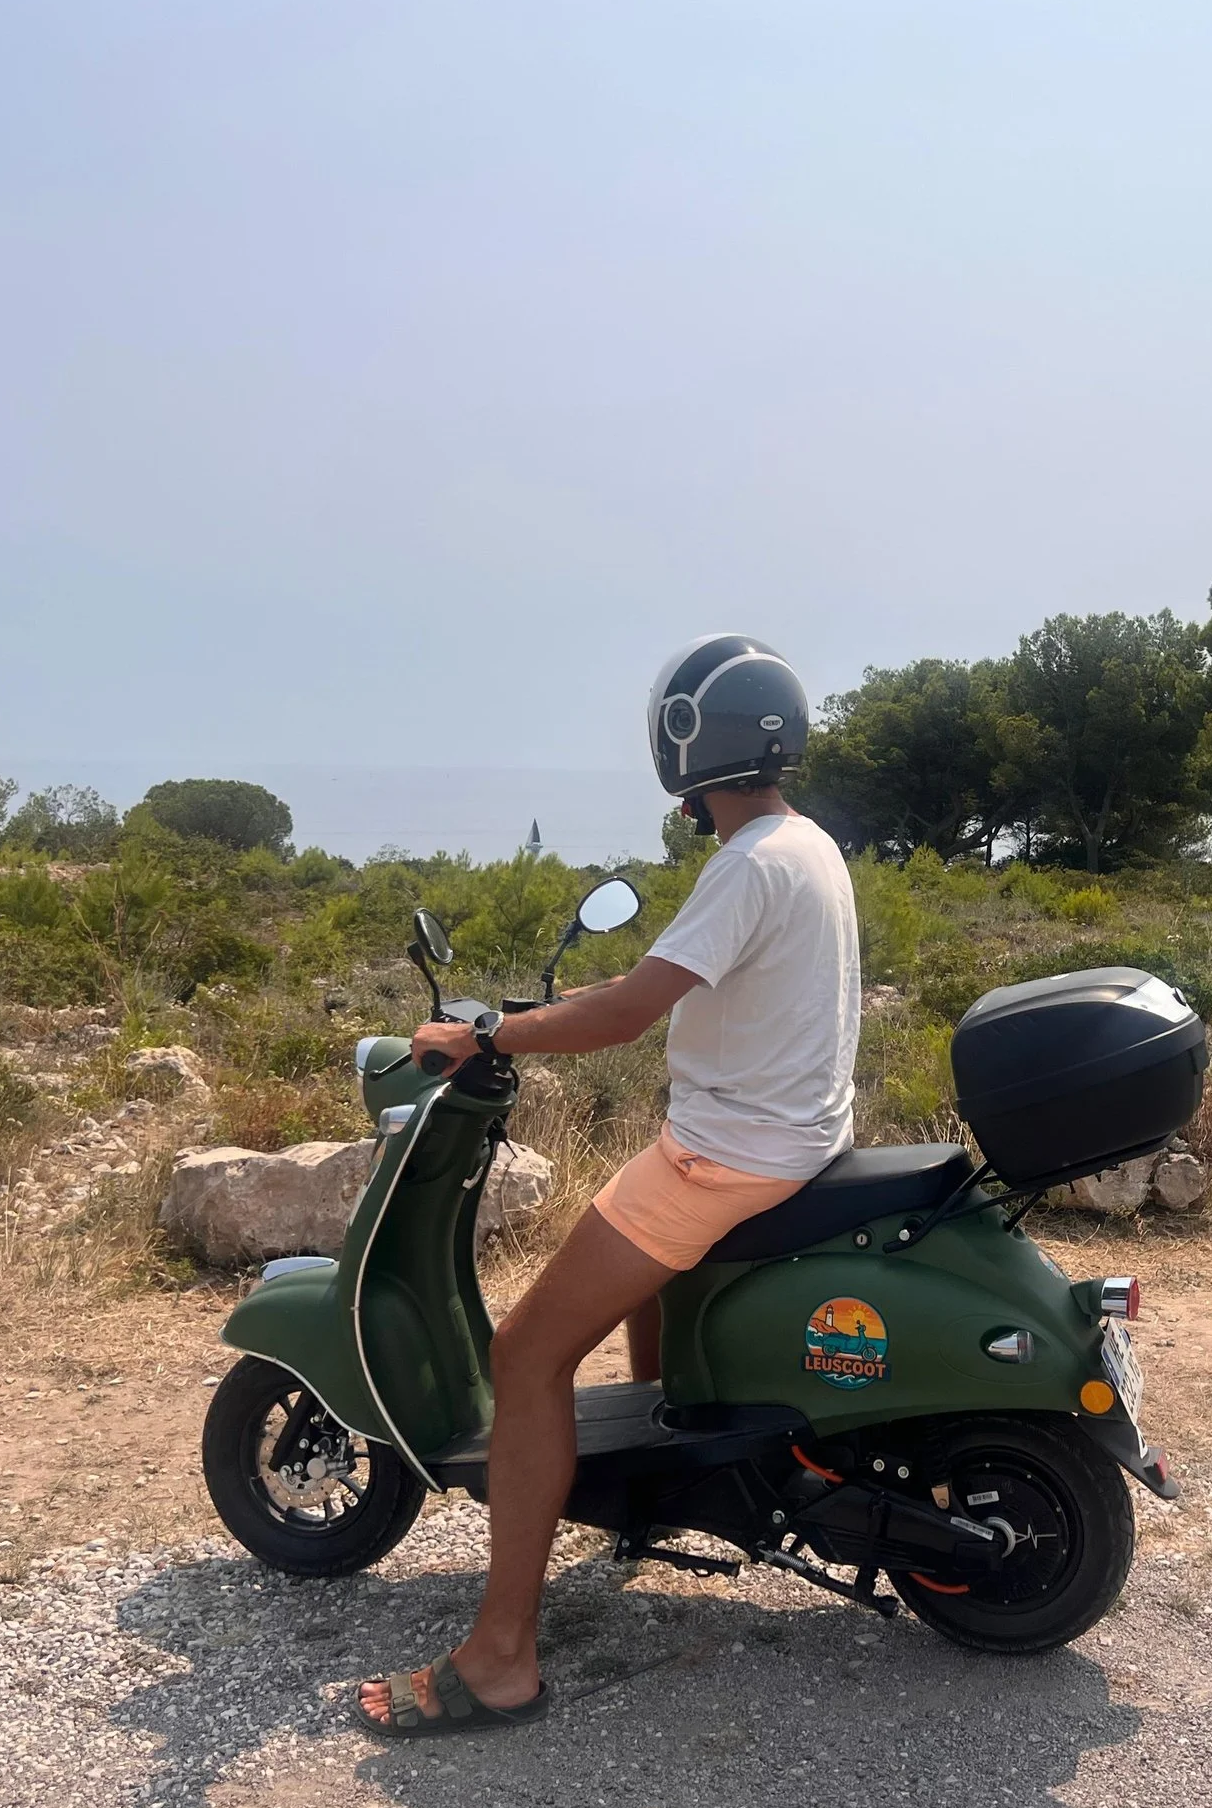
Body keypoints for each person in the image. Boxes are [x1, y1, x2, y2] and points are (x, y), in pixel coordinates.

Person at [354, 635, 859, 1739]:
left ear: (686, 742)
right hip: (786, 1138)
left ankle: (500, 1659)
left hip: (726, 1158)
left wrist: (487, 1034)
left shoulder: (749, 863)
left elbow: (627, 1014)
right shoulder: (804, 843)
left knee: (523, 1354)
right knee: (629, 1246)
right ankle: (659, 1485)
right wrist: (531, 1014)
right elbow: (655, 977)